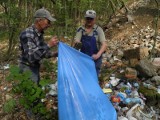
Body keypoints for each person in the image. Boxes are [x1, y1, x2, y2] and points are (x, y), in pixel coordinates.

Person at [19, 8, 58, 85]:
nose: (49, 25)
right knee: (31, 93)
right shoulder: (28, 34)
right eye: (48, 21)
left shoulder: (39, 34)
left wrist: (54, 54)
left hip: (35, 67)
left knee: (36, 89)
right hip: (27, 68)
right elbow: (31, 57)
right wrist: (49, 45)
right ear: (39, 21)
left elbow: (41, 52)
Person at [74, 10, 107, 75]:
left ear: (94, 19)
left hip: (95, 59)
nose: (89, 20)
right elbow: (77, 41)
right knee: (84, 75)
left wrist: (98, 55)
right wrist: (77, 45)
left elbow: (104, 44)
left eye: (91, 19)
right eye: (88, 18)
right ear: (85, 19)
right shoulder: (80, 29)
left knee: (94, 76)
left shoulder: (98, 30)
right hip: (84, 58)